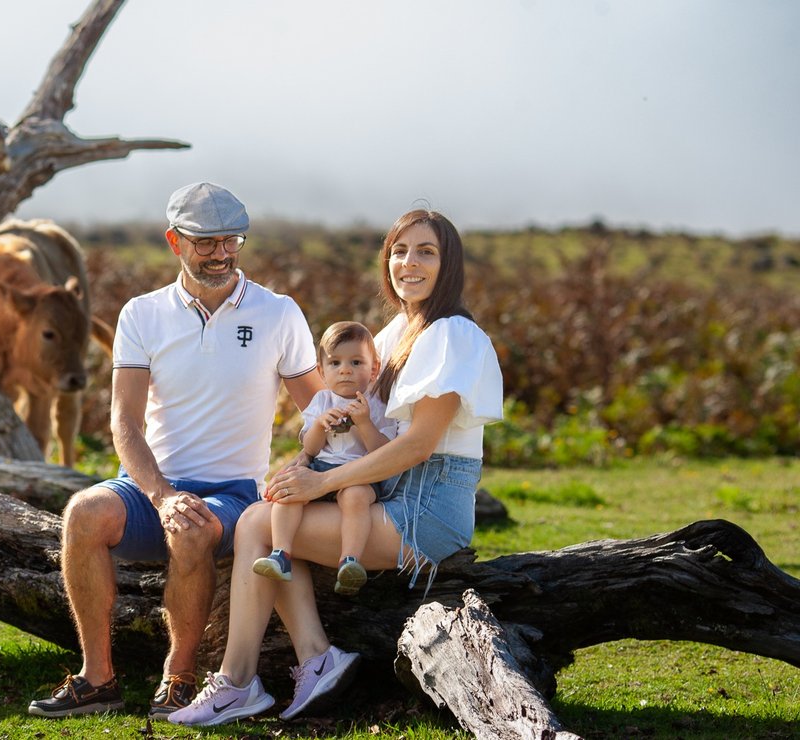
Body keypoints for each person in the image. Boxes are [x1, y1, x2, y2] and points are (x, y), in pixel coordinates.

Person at [168, 208, 504, 727]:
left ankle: (241, 682)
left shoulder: (450, 333)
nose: (408, 262)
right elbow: (351, 417)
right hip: (388, 494)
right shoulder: (396, 333)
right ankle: (313, 660)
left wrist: (321, 481)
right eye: (399, 250)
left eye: (426, 251)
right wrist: (305, 460)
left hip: (427, 508)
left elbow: (418, 445)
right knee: (276, 514)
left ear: (449, 263)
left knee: (258, 521)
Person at [27, 182, 324, 719]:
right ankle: (98, 680)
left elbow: (319, 409)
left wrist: (306, 466)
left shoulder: (278, 314)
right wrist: (161, 495)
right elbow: (124, 421)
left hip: (233, 494)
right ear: (174, 242)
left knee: (193, 528)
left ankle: (179, 677)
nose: (221, 253)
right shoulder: (142, 314)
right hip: (150, 488)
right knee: (82, 512)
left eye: (231, 240)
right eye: (205, 242)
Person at [251, 321, 397, 597]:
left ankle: (350, 560)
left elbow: (382, 451)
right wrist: (318, 426)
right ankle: (281, 554)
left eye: (356, 362)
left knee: (355, 499)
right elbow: (311, 448)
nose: (345, 370)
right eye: (335, 363)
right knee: (289, 492)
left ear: (373, 368)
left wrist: (364, 423)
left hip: (359, 473)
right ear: (322, 370)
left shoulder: (377, 404)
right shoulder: (321, 401)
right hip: (319, 467)